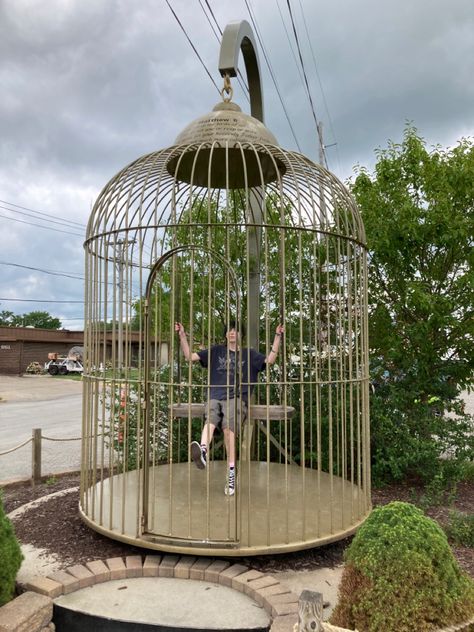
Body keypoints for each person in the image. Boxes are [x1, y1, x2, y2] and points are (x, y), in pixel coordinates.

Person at [175, 320, 284, 495]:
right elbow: (189, 357)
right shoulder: (216, 351)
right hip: (215, 395)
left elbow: (270, 360)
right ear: (226, 334)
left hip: (237, 397)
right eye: (229, 331)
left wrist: (277, 336)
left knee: (228, 428)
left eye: (235, 331)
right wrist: (182, 336)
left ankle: (231, 472)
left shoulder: (249, 354)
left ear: (240, 335)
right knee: (210, 417)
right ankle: (203, 450)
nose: (232, 333)